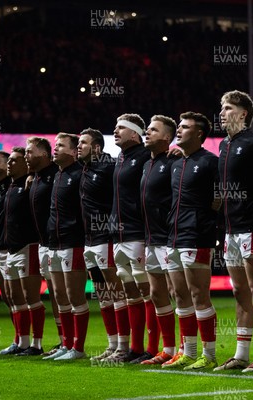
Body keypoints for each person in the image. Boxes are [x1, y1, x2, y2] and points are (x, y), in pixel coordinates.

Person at [214, 91, 253, 372]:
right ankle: (240, 355)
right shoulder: (225, 146)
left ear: (243, 114)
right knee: (240, 291)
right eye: (221, 108)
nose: (222, 113)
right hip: (231, 230)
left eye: (228, 108)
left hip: (252, 227)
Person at [165, 111, 218, 371]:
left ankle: (209, 354)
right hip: (173, 236)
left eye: (185, 127)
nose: (179, 130)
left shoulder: (210, 162)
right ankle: (189, 352)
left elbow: (220, 199)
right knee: (179, 295)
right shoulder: (176, 163)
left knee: (199, 295)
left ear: (199, 134)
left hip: (197, 236)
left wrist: (205, 221)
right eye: (179, 126)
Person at [103, 114, 155, 364]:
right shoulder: (119, 158)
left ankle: (153, 348)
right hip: (119, 235)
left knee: (147, 293)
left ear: (135, 133)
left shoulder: (146, 157)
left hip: (137, 234)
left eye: (120, 127)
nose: (115, 131)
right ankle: (134, 348)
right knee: (130, 293)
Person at [77, 128, 129, 361]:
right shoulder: (84, 168)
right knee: (102, 293)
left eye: (84, 143)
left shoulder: (110, 167)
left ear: (97, 147)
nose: (79, 146)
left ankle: (124, 347)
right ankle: (112, 344)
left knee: (116, 291)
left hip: (106, 237)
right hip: (89, 240)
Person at [139, 115, 180, 365]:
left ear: (167, 138)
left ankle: (188, 349)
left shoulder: (174, 161)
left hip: (169, 237)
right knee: (157, 293)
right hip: (151, 238)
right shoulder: (147, 164)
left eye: (153, 130)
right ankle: (168, 348)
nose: (147, 132)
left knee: (179, 292)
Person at [44, 133, 89, 361]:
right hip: (55, 243)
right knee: (60, 295)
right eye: (54, 145)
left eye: (60, 145)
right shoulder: (57, 175)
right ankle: (66, 343)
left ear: (73, 152)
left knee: (74, 295)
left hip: (74, 242)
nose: (55, 148)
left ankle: (78, 348)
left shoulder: (80, 174)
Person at [3, 147, 45, 356]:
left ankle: (37, 344)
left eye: (14, 160)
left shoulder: (30, 184)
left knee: (31, 296)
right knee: (14, 296)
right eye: (8, 160)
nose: (9, 163)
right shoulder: (10, 187)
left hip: (28, 246)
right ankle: (21, 342)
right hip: (11, 248)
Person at [26, 136, 63, 356]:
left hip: (59, 243)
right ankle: (63, 340)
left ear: (43, 154)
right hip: (44, 244)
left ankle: (69, 341)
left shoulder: (56, 175)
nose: (26, 156)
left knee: (61, 294)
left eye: (30, 152)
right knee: (54, 294)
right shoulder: (36, 178)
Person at [0, 150, 23, 355]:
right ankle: (18, 338)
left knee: (19, 297)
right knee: (8, 298)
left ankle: (26, 340)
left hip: (12, 248)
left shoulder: (14, 186)